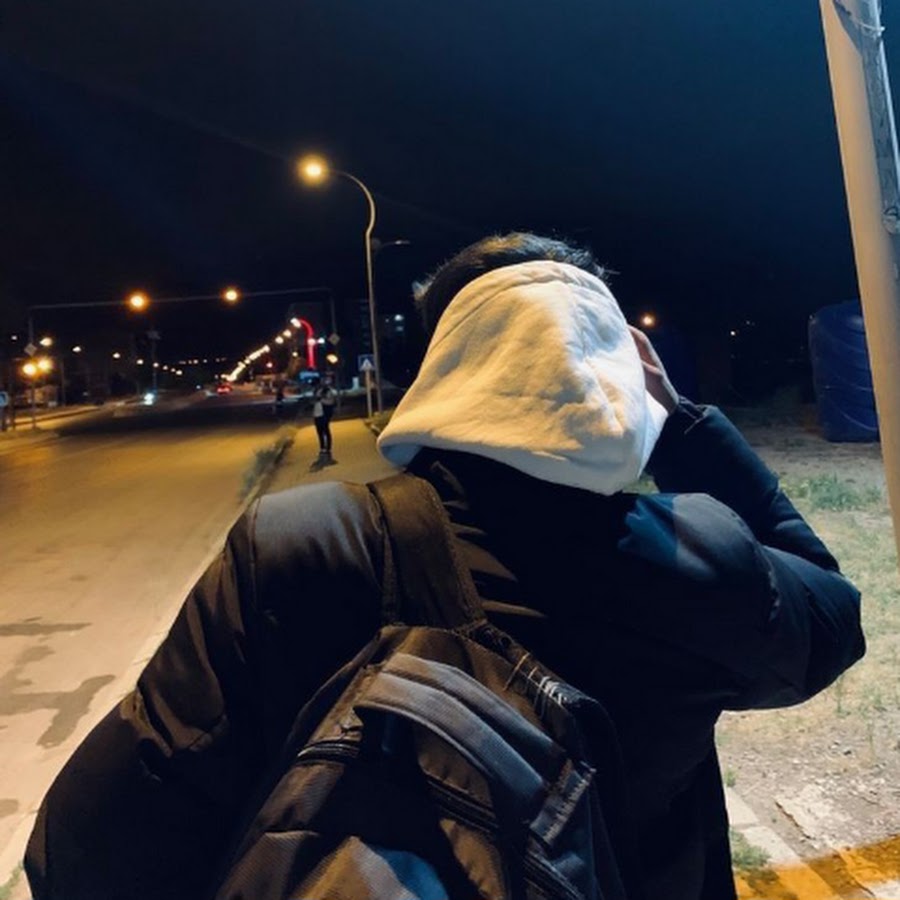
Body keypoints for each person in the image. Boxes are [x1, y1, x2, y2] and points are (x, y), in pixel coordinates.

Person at [24, 232, 865, 900]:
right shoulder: (695, 560)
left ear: (444, 366)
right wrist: (685, 429)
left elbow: (90, 848)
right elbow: (831, 615)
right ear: (618, 372)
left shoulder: (301, 544)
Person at [312, 373, 337, 459]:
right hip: (317, 414)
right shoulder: (317, 391)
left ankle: (328, 448)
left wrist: (321, 400)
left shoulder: (328, 391)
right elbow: (314, 401)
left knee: (326, 430)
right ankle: (322, 447)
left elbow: (331, 402)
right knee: (319, 432)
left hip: (324, 414)